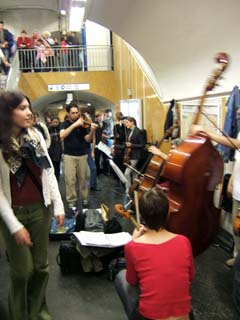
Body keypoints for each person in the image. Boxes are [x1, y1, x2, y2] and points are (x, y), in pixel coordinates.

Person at [0, 91, 65, 320]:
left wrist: (58, 205)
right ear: (8, 112)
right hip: (13, 213)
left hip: (40, 209)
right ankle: (19, 313)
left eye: (29, 107)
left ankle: (39, 311)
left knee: (41, 267)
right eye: (22, 108)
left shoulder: (35, 136)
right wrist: (14, 225)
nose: (29, 113)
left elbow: (48, 171)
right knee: (22, 272)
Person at [115, 187, 194, 320]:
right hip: (185, 317)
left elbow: (132, 280)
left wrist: (134, 241)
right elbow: (190, 277)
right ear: (168, 213)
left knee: (121, 277)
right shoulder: (184, 241)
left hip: (150, 317)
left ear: (143, 217)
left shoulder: (132, 246)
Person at [60, 103, 97, 212]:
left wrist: (92, 131)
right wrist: (75, 125)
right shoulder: (64, 124)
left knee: (84, 179)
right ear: (68, 113)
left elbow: (87, 139)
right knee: (70, 180)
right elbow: (62, 135)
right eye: (73, 113)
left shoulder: (83, 125)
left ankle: (85, 198)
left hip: (82, 155)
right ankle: (71, 201)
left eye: (77, 113)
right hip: (69, 156)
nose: (75, 115)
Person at [123, 117, 146, 194]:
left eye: (127, 122)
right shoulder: (130, 131)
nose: (125, 124)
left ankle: (128, 189)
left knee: (127, 173)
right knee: (134, 173)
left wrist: (131, 145)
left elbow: (142, 145)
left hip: (136, 155)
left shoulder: (138, 131)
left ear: (132, 122)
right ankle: (136, 188)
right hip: (131, 155)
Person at [48, 116, 63, 181]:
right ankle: (52, 177)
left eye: (57, 122)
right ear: (51, 122)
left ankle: (57, 177)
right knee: (52, 164)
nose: (55, 123)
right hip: (51, 149)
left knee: (57, 164)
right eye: (54, 122)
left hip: (58, 148)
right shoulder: (49, 129)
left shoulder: (60, 129)